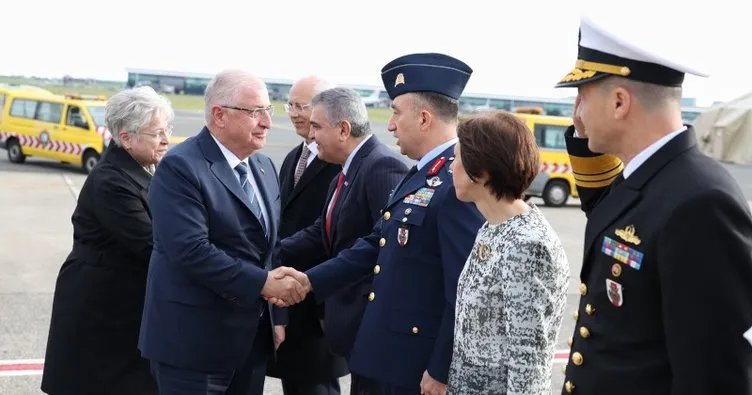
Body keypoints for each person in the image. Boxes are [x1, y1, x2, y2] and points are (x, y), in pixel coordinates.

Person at [555, 14, 752, 395]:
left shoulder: (701, 203)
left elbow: (714, 377)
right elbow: (605, 214)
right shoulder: (650, 177)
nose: (576, 109)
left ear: (618, 102)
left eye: (582, 95)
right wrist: (584, 139)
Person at [271, 53, 486, 395]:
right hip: (385, 356)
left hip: (415, 368)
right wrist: (310, 281)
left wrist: (441, 369)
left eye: (396, 113)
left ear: (425, 118)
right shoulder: (419, 174)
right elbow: (375, 243)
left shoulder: (456, 182)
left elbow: (462, 289)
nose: (389, 125)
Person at [138, 70, 303, 395]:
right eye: (256, 112)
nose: (267, 122)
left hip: (251, 343)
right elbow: (191, 251)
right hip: (193, 345)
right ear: (220, 115)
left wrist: (278, 313)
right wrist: (263, 283)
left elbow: (270, 247)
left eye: (269, 110)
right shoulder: (181, 167)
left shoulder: (264, 166)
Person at [41, 86, 173, 395]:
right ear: (126, 138)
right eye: (157, 133)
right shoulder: (111, 181)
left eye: (167, 130)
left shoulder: (142, 169)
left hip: (122, 306)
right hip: (102, 309)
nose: (166, 139)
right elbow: (151, 244)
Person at [278, 86, 409, 394]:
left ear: (343, 129)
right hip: (352, 325)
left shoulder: (381, 166)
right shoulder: (347, 169)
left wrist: (308, 281)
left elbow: (386, 248)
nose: (311, 135)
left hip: (371, 326)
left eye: (316, 126)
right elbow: (320, 232)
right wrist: (270, 254)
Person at [444, 111, 570, 395]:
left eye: (457, 159)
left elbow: (529, 363)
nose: (451, 167)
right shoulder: (494, 226)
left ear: (483, 171)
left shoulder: (528, 245)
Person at [267, 75, 347, 395]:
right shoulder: (292, 158)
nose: (295, 113)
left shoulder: (340, 166)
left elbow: (341, 242)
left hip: (318, 307)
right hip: (286, 303)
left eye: (303, 106)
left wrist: (328, 308)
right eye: (291, 105)